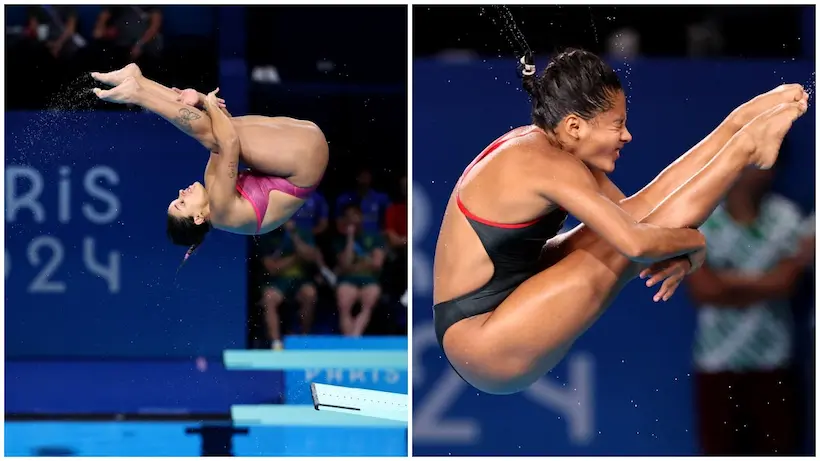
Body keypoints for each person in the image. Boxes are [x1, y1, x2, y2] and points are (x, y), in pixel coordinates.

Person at [432, 48, 809, 395]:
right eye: (617, 125)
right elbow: (638, 244)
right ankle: (746, 149)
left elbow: (643, 211)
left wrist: (728, 129)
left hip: (502, 304)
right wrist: (695, 244)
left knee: (627, 227)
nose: (627, 136)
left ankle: (737, 127)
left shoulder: (556, 146)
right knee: (618, 251)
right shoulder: (544, 164)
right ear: (576, 126)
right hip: (481, 344)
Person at [90, 64, 329, 261]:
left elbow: (222, 127)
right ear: (198, 218)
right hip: (305, 160)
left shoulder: (211, 184)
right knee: (213, 135)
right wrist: (205, 101)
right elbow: (230, 142)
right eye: (182, 202)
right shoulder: (223, 212)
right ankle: (138, 92)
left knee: (212, 132)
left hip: (303, 145)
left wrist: (203, 101)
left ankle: (140, 82)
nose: (181, 192)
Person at [686, 160, 815, 455]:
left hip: (773, 363)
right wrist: (764, 282)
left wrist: (726, 283)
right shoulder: (704, 219)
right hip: (717, 363)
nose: (762, 170)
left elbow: (785, 284)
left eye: (770, 162)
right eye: (756, 161)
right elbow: (704, 290)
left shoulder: (786, 217)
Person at [259, 221, 322, 350]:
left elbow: (311, 257)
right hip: (278, 281)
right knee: (269, 297)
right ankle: (276, 343)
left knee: (310, 294)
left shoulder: (302, 233)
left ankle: (303, 338)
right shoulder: (265, 235)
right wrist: (296, 257)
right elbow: (272, 268)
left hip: (300, 280)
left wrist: (294, 235)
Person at [334, 203, 386, 336]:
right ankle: (351, 341)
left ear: (361, 217)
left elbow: (376, 263)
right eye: (348, 217)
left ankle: (355, 338)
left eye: (355, 216)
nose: (352, 219)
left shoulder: (374, 237)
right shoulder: (341, 240)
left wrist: (354, 267)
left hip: (369, 280)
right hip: (348, 280)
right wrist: (350, 237)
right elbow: (345, 264)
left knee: (370, 298)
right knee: (344, 302)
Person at [336, 167, 391, 232]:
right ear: (357, 177)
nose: (364, 179)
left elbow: (389, 221)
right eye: (361, 176)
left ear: (371, 178)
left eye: (366, 175)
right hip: (353, 237)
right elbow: (339, 222)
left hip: (376, 238)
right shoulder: (343, 199)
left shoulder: (382, 198)